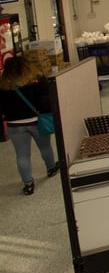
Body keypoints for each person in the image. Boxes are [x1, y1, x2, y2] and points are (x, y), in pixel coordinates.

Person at [1, 55, 59, 195]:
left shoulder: (3, 85)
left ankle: (28, 184)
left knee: (22, 155)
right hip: (37, 121)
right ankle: (51, 168)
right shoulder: (37, 79)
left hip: (14, 124)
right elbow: (46, 100)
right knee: (45, 147)